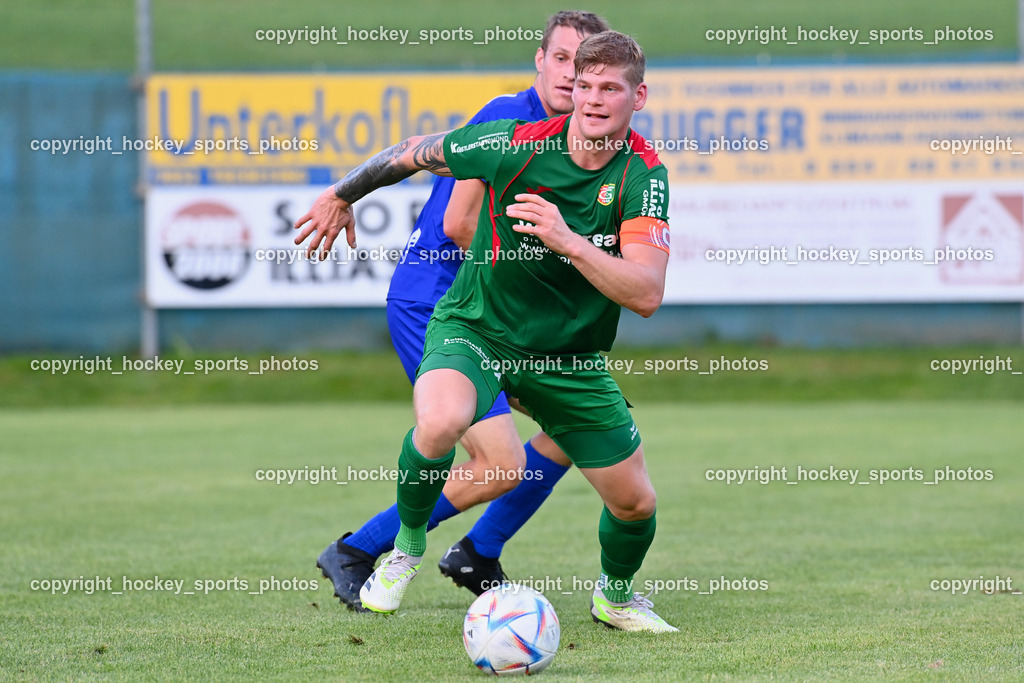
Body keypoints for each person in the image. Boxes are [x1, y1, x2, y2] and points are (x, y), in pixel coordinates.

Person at [297, 30, 676, 633]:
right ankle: (403, 550)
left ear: (640, 96)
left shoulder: (643, 174)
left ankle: (615, 597)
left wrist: (567, 242)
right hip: (478, 329)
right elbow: (413, 152)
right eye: (584, 85)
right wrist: (343, 194)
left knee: (636, 503)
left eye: (610, 88)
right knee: (443, 423)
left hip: (567, 355)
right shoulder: (514, 139)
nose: (593, 99)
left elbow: (647, 293)